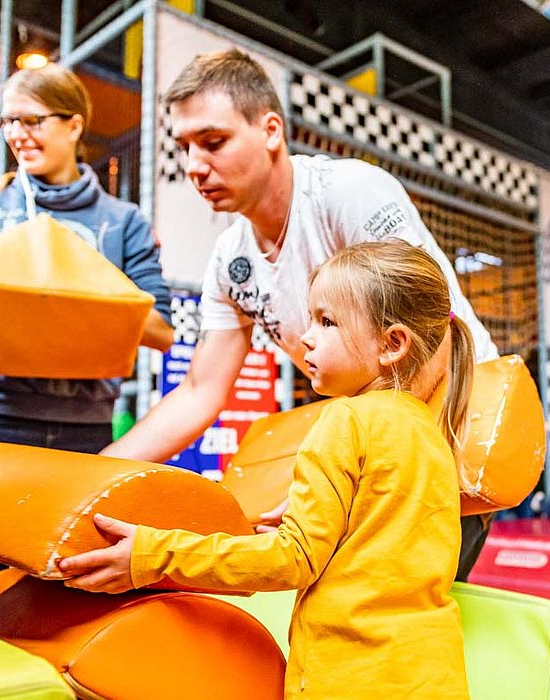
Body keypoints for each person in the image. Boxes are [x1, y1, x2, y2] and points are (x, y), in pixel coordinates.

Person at [104, 48, 498, 581]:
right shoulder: (230, 261)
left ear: (270, 131)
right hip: (366, 438)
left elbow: (433, 338)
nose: (195, 165)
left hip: (451, 419)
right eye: (185, 147)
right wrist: (99, 474)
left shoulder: (347, 194)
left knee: (395, 617)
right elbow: (200, 391)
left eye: (213, 142)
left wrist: (347, 486)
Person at [60, 240, 471, 699]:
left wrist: (152, 554)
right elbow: (387, 551)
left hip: (353, 679)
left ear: (392, 344)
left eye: (327, 321)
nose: (306, 337)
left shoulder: (345, 419)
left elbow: (291, 560)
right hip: (434, 677)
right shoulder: (434, 433)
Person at [0, 63, 173, 609]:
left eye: (32, 120)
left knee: (69, 580)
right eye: (8, 121)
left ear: (75, 125)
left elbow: (162, 330)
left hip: (86, 433)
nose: (16, 134)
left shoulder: (122, 222)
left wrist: (82, 307)